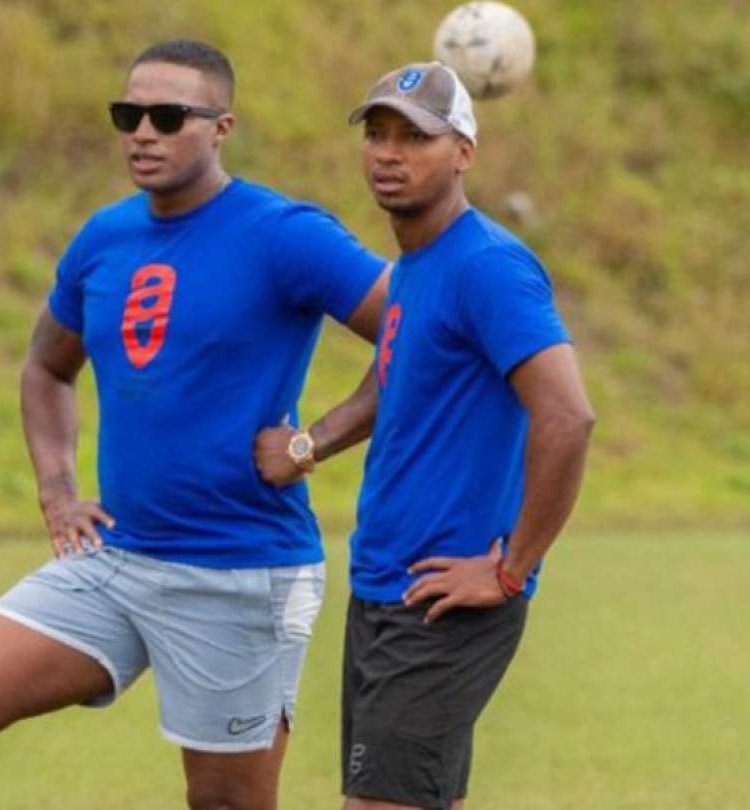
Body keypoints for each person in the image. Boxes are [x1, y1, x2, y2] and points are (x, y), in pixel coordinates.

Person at [0, 39, 389, 810]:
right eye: (128, 115)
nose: (144, 132)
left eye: (168, 116)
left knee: (223, 802)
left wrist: (313, 441)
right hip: (119, 558)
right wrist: (58, 489)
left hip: (239, 571)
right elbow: (46, 367)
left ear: (221, 127)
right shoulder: (105, 236)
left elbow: (420, 335)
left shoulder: (284, 233)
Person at [254, 62, 596, 810]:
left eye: (416, 136)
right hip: (385, 584)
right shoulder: (416, 266)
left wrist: (510, 570)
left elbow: (568, 417)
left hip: (447, 600)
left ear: (463, 152)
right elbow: (393, 375)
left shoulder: (488, 266)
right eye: (377, 133)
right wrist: (308, 445)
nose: (388, 152)